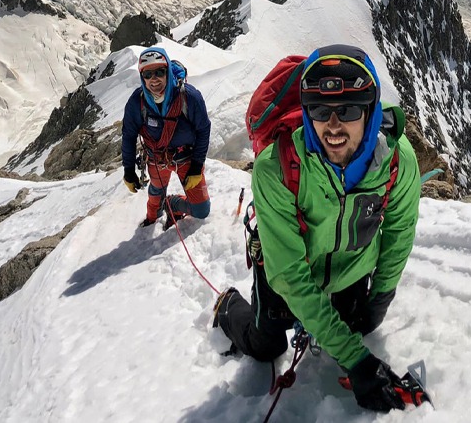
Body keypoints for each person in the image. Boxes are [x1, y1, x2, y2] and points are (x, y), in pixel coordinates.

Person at [213, 44, 421, 413]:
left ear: (371, 110)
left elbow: (399, 231)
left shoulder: (397, 161)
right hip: (286, 272)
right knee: (266, 347)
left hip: (351, 272)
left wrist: (381, 295)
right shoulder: (277, 167)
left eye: (349, 110)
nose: (333, 125)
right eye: (320, 111)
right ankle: (229, 305)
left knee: (359, 329)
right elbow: (290, 274)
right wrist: (356, 360)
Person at [121, 47, 211, 227]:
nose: (154, 79)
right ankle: (153, 217)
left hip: (186, 158)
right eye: (147, 74)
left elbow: (203, 130)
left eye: (159, 72)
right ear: (142, 77)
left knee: (201, 210)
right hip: (157, 159)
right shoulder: (137, 102)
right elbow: (129, 136)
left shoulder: (189, 97)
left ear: (168, 71)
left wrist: (196, 166)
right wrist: (128, 170)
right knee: (155, 197)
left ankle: (173, 204)